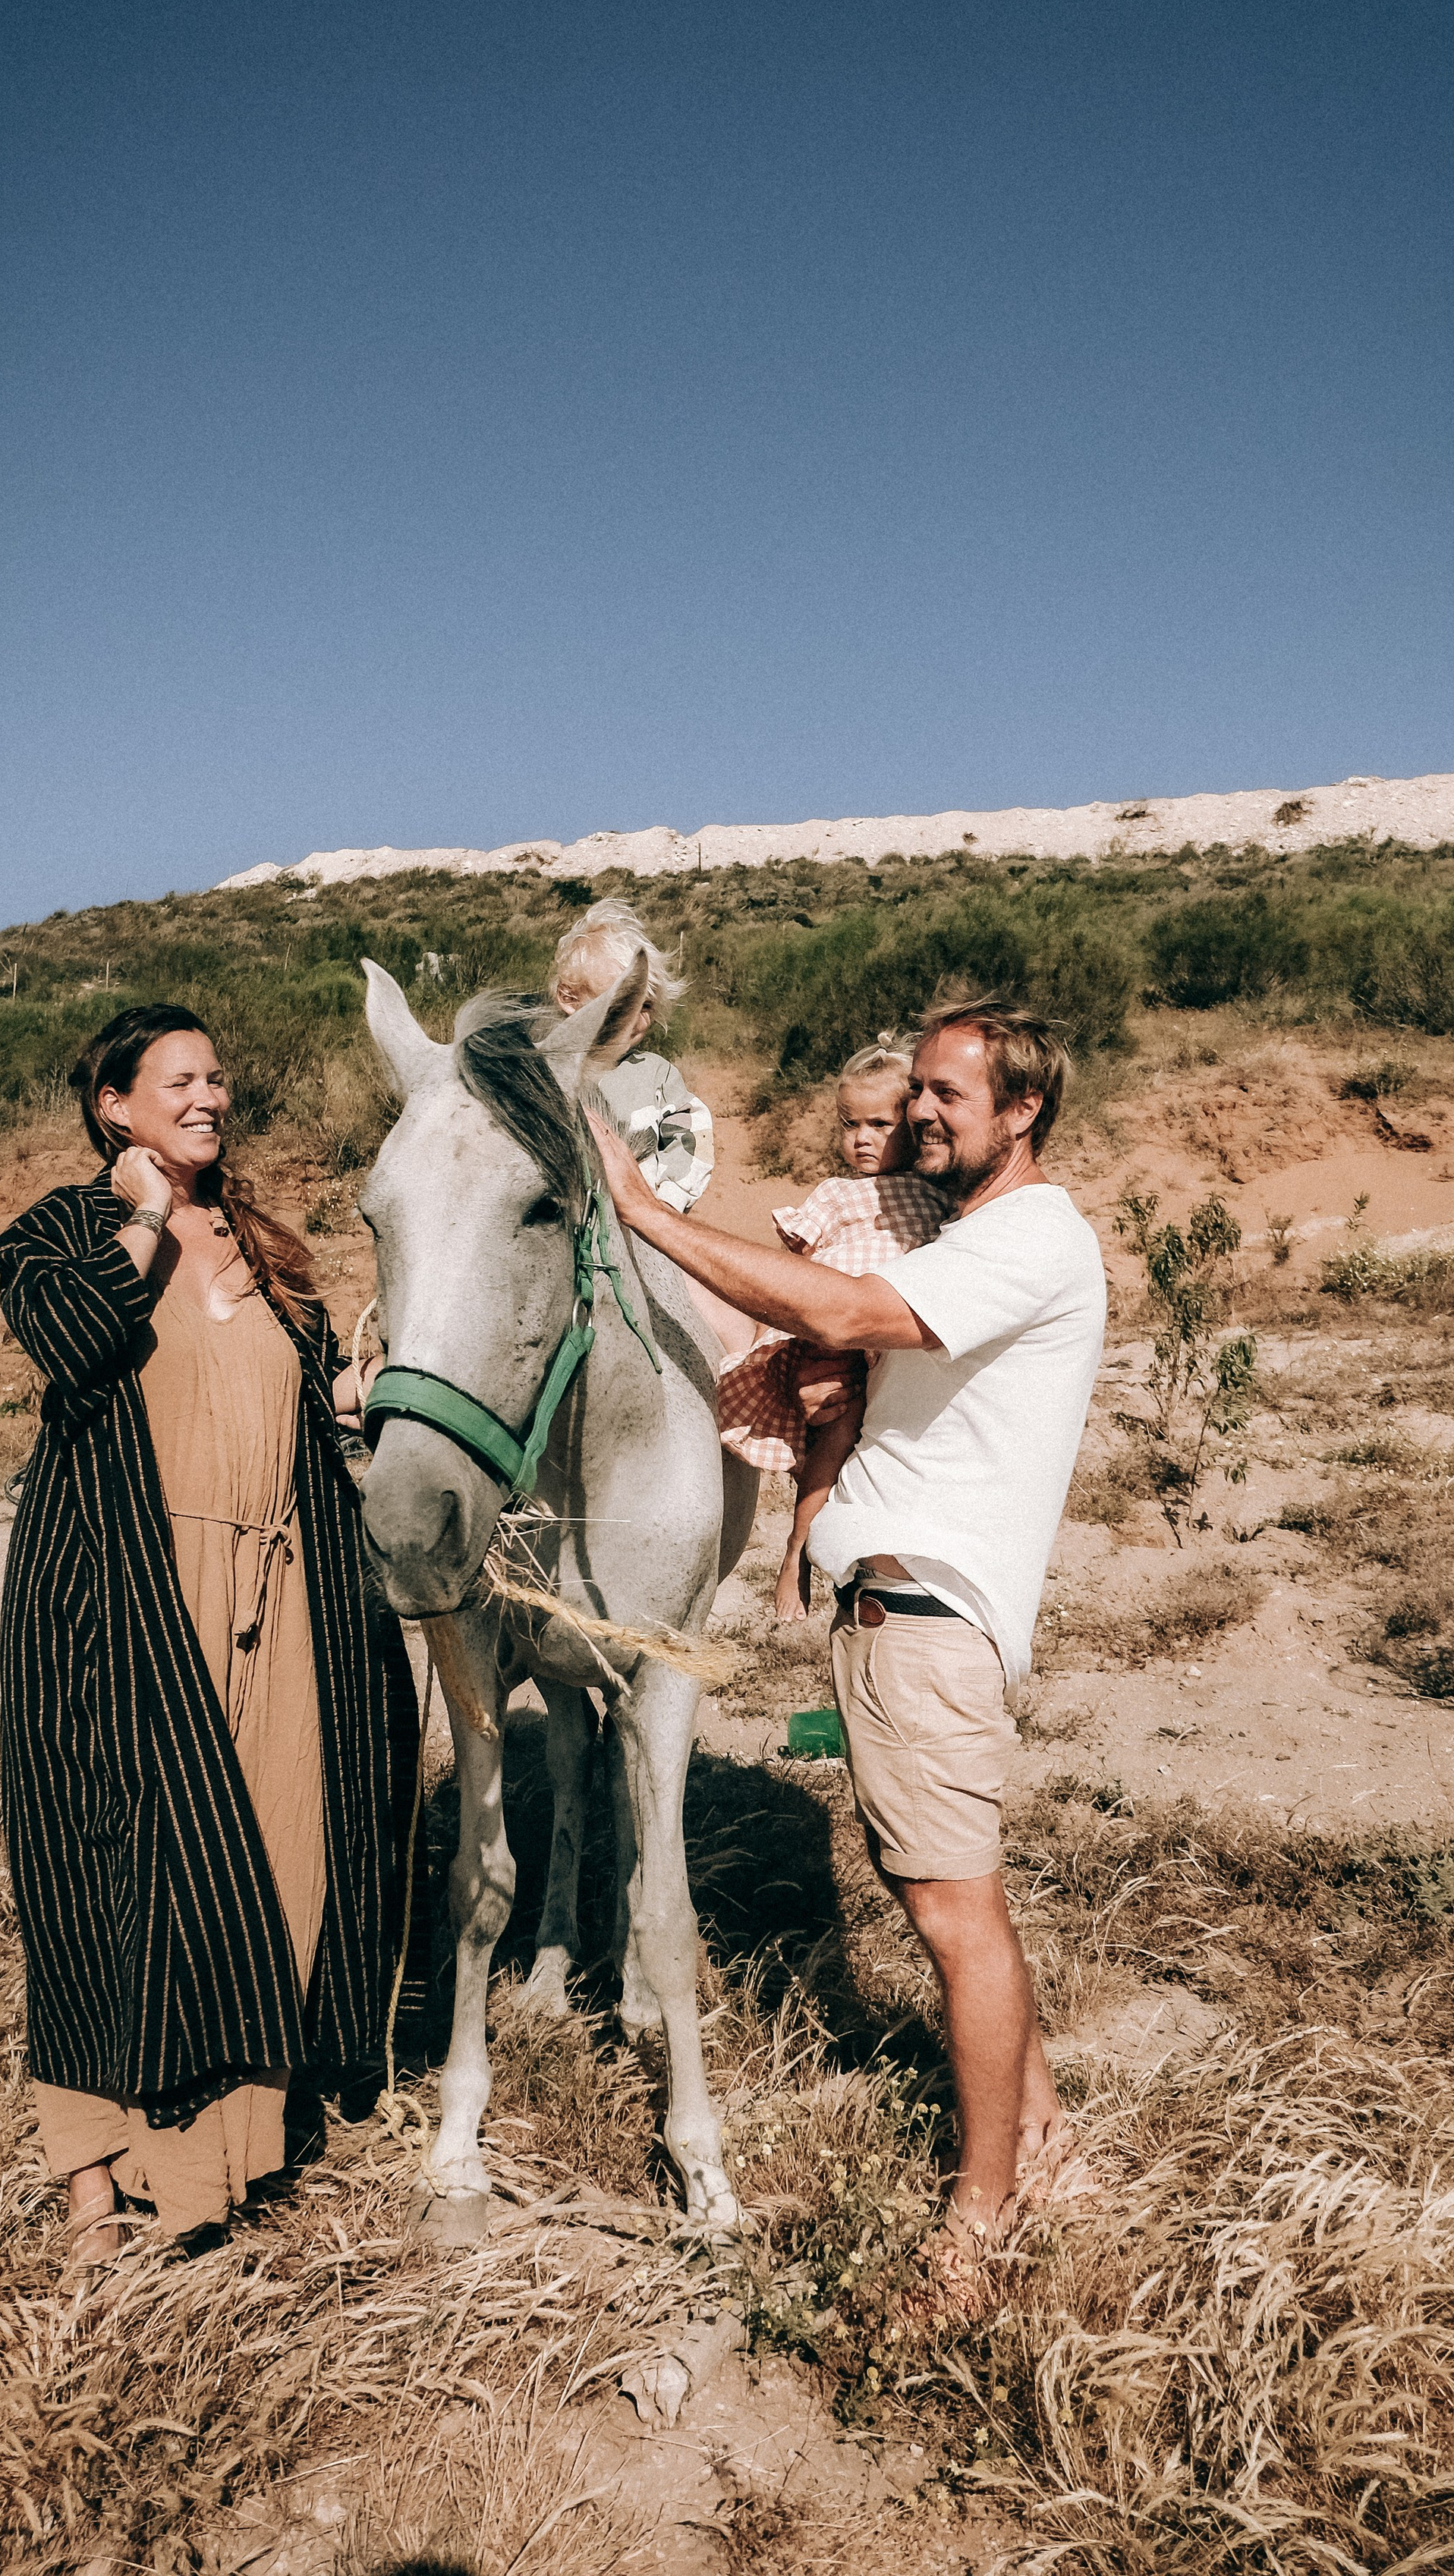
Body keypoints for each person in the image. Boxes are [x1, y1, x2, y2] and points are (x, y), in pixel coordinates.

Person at [588, 993, 1106, 2297]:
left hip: (930, 1623)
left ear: (1024, 1109)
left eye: (949, 1094)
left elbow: (845, 1311)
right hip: (898, 1614)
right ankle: (1045, 2146)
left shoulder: (1031, 1236)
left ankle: (978, 2224)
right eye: (915, 1088)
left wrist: (644, 1210)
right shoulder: (968, 1233)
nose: (922, 1112)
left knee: (955, 1919)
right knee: (951, 1900)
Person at [0, 1005, 420, 2279]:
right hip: (125, 1592)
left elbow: (296, 1397)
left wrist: (350, 1393)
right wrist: (139, 1219)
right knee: (111, 1874)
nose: (208, 1097)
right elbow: (76, 1343)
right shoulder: (63, 1234)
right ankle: (92, 2177)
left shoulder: (260, 1243)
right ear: (113, 1105)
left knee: (274, 1858)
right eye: (177, 1080)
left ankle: (213, 2166)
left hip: (281, 1589)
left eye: (218, 1077)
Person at [716, 1039, 946, 1618]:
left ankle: (870, 1567)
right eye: (850, 1124)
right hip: (838, 1343)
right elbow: (799, 1266)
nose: (861, 1138)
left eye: (879, 1125)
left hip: (897, 1341)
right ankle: (796, 1551)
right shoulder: (837, 1194)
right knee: (836, 1435)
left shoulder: (936, 1192)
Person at [550, 898, 713, 1211]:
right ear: (569, 997)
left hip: (641, 1225)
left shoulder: (655, 1074)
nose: (635, 1019)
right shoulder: (544, 1071)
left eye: (646, 1006)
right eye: (621, 1005)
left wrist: (667, 1205)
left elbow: (693, 1133)